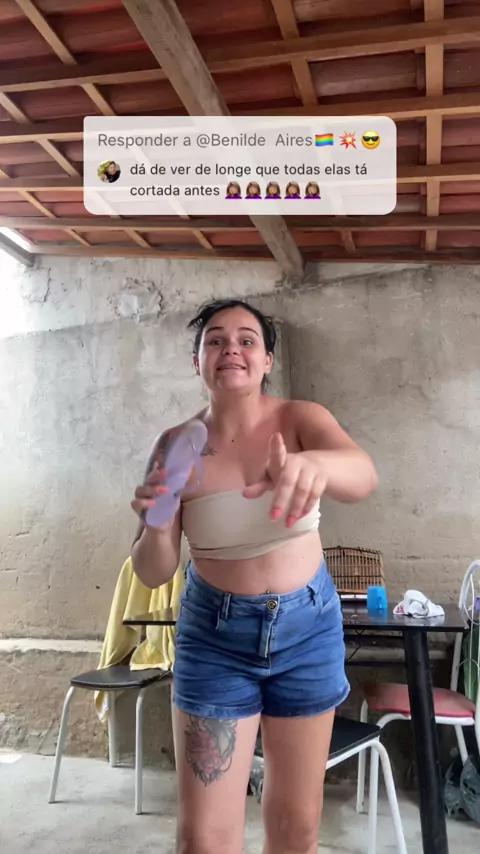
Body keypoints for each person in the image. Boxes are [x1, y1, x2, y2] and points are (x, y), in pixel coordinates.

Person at [130, 298, 378, 854]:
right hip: (214, 639)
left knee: (297, 828)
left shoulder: (300, 419)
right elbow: (153, 571)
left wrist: (313, 465)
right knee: (203, 840)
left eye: (247, 340)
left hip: (308, 632)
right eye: (215, 340)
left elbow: (362, 475)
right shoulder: (174, 445)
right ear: (197, 361)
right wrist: (158, 524)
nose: (231, 349)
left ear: (267, 360)